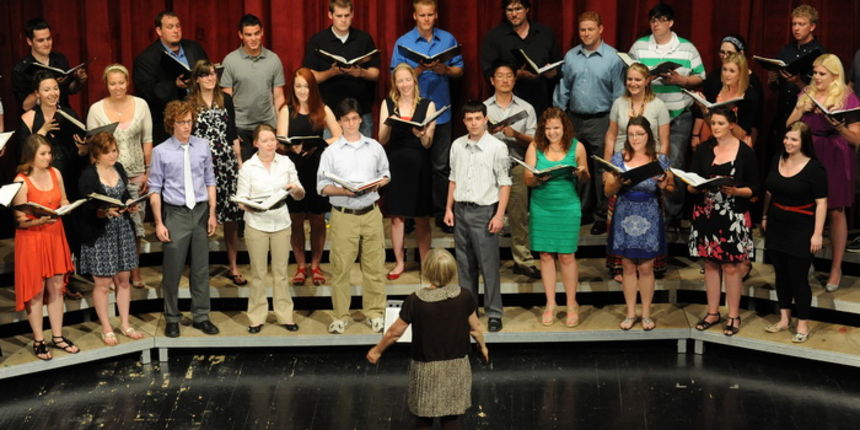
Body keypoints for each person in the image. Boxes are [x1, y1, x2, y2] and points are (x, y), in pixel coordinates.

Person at [367, 248, 489, 430]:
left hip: (426, 368)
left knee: (424, 418)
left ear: (427, 270)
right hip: (456, 366)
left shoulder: (415, 301)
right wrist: (483, 348)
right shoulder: (464, 296)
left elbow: (394, 332)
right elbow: (476, 328)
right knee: (451, 417)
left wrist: (377, 350)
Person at [786, 53, 860, 292]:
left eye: (821, 74)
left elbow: (856, 138)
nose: (816, 77)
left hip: (835, 154)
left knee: (836, 210)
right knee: (806, 208)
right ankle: (804, 260)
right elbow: (789, 126)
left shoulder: (847, 98)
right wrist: (801, 110)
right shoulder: (806, 93)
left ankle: (836, 267)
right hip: (809, 152)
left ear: (835, 75)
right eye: (815, 73)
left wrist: (838, 125)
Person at [316, 98, 390, 334]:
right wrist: (344, 190)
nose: (351, 123)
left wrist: (378, 183)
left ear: (360, 119)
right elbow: (322, 186)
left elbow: (386, 174)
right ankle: (340, 315)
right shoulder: (331, 151)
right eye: (346, 119)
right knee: (340, 268)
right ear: (339, 122)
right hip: (343, 214)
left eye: (355, 118)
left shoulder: (374, 147)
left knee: (374, 267)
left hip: (370, 212)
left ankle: (375, 313)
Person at [629, 3, 706, 228]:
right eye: (653, 20)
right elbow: (631, 75)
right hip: (649, 115)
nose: (656, 24)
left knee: (675, 162)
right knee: (648, 162)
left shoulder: (687, 48)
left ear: (670, 22)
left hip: (678, 114)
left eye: (661, 20)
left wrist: (682, 80)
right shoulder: (640, 47)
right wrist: (646, 78)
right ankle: (650, 209)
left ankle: (672, 215)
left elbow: (700, 77)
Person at [390, 0, 463, 231]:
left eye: (430, 15)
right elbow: (394, 75)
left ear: (436, 15)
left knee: (441, 167)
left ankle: (443, 214)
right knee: (414, 165)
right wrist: (418, 70)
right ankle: (410, 215)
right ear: (414, 16)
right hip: (412, 112)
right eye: (422, 15)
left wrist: (445, 69)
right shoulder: (404, 42)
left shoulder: (447, 39)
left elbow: (459, 70)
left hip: (441, 111)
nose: (426, 19)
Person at [147, 100, 219, 337]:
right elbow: (155, 188)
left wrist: (212, 213)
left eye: (189, 121)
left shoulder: (202, 146)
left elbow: (210, 180)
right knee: (173, 269)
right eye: (181, 122)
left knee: (200, 268)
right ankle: (171, 317)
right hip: (176, 213)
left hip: (199, 211)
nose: (187, 127)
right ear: (172, 124)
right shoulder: (161, 151)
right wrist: (159, 222)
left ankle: (201, 315)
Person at [688, 108, 760, 336]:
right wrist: (695, 185)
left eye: (720, 123)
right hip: (707, 212)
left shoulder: (745, 152)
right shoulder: (703, 149)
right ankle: (712, 312)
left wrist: (736, 191)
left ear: (731, 124)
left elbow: (756, 188)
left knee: (730, 266)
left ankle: (733, 315)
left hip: (732, 214)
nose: (715, 127)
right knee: (709, 264)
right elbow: (691, 182)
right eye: (713, 123)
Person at [17, 72, 88, 299]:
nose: (52, 93)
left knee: (69, 231)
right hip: (38, 183)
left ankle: (66, 280)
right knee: (43, 232)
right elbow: (24, 152)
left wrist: (83, 151)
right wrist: (43, 132)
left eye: (55, 89)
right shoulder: (29, 118)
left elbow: (78, 150)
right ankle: (42, 284)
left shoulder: (67, 114)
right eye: (46, 89)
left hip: (66, 177)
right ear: (37, 94)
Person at [553, 11, 625, 235]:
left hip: (602, 119)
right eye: (582, 29)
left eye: (590, 29)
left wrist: (615, 124)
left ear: (601, 29)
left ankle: (601, 215)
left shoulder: (613, 58)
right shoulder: (571, 56)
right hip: (574, 119)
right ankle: (580, 211)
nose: (585, 34)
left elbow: (618, 94)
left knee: (601, 168)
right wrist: (559, 115)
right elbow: (563, 88)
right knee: (576, 166)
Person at [444, 101, 511, 332]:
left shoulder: (496, 147)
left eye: (477, 118)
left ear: (485, 120)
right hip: (461, 209)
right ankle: (468, 312)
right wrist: (448, 208)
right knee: (464, 265)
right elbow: (453, 178)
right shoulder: (457, 145)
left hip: (485, 211)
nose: (473, 123)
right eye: (469, 119)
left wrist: (500, 215)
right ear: (464, 121)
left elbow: (504, 183)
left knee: (488, 265)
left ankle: (494, 312)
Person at [603, 117, 674, 330]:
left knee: (646, 266)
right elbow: (607, 191)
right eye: (632, 134)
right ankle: (630, 313)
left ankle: (646, 314)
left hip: (649, 214)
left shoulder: (659, 160)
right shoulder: (618, 158)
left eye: (640, 134)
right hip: (625, 213)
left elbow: (672, 189)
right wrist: (618, 182)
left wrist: (663, 183)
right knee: (627, 264)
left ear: (648, 136)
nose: (635, 138)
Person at [11, 134, 78, 360]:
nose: (48, 158)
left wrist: (65, 208)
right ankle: (39, 340)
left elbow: (64, 199)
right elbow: (20, 218)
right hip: (32, 238)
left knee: (57, 286)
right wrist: (40, 220)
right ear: (31, 156)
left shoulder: (55, 173)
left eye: (49, 153)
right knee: (37, 290)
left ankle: (57, 336)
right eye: (43, 154)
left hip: (54, 234)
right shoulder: (21, 180)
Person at [87, 64, 153, 289]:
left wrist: (147, 170)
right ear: (106, 84)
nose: (118, 87)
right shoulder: (96, 109)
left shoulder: (141, 105)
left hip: (135, 174)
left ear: (127, 82)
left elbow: (147, 139)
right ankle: (114, 273)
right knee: (112, 227)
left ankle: (134, 271)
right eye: (112, 83)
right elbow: (93, 148)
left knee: (135, 227)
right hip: (109, 177)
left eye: (121, 82)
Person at [77, 132, 145, 345]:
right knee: (103, 283)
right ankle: (107, 327)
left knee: (124, 280)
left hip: (122, 229)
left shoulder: (120, 169)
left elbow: (123, 195)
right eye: (108, 152)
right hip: (100, 233)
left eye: (114, 150)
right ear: (97, 154)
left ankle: (125, 323)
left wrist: (129, 202)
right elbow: (85, 208)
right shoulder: (88, 175)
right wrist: (103, 212)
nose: (113, 155)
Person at [276, 68, 342, 287]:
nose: (302, 90)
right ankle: (300, 266)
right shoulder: (287, 109)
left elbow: (338, 135)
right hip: (294, 167)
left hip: (316, 167)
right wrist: (292, 147)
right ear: (293, 89)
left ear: (312, 87)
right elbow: (280, 139)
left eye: (305, 86)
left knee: (316, 218)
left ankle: (315, 265)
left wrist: (321, 144)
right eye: (298, 86)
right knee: (295, 217)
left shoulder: (322, 108)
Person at [236, 124, 305, 333]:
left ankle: (285, 315)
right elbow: (241, 200)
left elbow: (300, 194)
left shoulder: (285, 162)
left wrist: (295, 189)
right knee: (258, 273)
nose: (270, 144)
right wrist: (252, 206)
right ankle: (257, 317)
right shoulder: (249, 167)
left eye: (273, 140)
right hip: (256, 222)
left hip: (280, 221)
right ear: (256, 143)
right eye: (265, 140)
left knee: (281, 272)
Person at [762, 122, 827, 343]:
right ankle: (784, 318)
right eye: (787, 138)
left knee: (798, 278)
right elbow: (769, 191)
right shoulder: (777, 158)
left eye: (794, 140)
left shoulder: (815, 169)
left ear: (804, 143)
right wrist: (764, 216)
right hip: (777, 223)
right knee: (780, 274)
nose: (788, 143)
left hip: (801, 227)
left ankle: (802, 323)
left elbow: (821, 203)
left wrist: (817, 233)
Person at [524, 107, 589, 327]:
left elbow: (586, 177)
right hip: (542, 205)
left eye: (556, 128)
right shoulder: (535, 146)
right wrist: (538, 179)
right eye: (548, 128)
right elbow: (527, 179)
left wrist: (581, 173)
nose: (552, 132)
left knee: (567, 256)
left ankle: (571, 303)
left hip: (567, 205)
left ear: (564, 128)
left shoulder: (577, 146)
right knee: (545, 255)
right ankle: (550, 303)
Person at [188, 59, 245, 286]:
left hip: (226, 163)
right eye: (206, 74)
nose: (211, 78)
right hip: (201, 165)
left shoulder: (226, 99)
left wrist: (239, 161)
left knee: (231, 218)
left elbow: (232, 133)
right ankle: (200, 267)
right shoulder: (190, 102)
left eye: (213, 74)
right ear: (198, 79)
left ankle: (233, 266)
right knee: (203, 216)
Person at [378, 64, 436, 280]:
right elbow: (382, 139)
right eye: (399, 80)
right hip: (395, 162)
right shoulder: (388, 103)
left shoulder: (428, 105)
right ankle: (399, 262)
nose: (404, 84)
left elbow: (428, 143)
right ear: (395, 83)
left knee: (421, 217)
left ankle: (426, 263)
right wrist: (390, 123)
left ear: (414, 81)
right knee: (397, 216)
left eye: (407, 80)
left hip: (419, 163)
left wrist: (420, 133)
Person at [484, 61, 538, 278]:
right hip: (489, 168)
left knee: (518, 215)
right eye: (500, 76)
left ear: (514, 80)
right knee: (487, 214)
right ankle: (488, 260)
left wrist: (515, 135)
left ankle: (522, 259)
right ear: (492, 80)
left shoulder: (525, 108)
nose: (505, 80)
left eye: (509, 76)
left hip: (516, 165)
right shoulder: (484, 108)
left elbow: (535, 140)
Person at [304, 0, 381, 138]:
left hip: (361, 110)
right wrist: (332, 72)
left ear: (352, 14)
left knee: (364, 156)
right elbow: (310, 76)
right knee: (332, 155)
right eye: (339, 16)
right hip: (330, 111)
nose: (343, 20)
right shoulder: (318, 40)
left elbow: (375, 73)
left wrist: (360, 72)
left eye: (347, 15)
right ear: (330, 15)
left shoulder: (364, 39)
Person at [133, 11, 209, 143]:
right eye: (170, 27)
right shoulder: (146, 59)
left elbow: (206, 71)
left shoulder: (194, 48)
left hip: (201, 117)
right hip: (169, 126)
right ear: (159, 31)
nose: (176, 30)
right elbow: (147, 94)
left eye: (178, 26)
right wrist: (174, 85)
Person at [220, 14, 286, 161]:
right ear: (240, 35)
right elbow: (226, 100)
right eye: (248, 35)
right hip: (241, 128)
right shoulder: (230, 61)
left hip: (267, 126)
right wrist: (231, 131)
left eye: (256, 33)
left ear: (262, 32)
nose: (253, 38)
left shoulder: (273, 59)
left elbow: (279, 97)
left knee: (269, 173)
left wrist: (280, 130)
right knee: (244, 174)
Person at [481, 0, 560, 116]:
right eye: (509, 10)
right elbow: (488, 72)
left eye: (518, 9)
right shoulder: (494, 37)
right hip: (506, 106)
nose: (514, 14)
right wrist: (516, 74)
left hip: (541, 102)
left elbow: (557, 65)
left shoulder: (545, 33)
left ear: (527, 9)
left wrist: (552, 73)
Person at [767, 5, 826, 159]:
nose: (796, 28)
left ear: (812, 26)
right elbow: (776, 87)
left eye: (801, 24)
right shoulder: (786, 50)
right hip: (782, 114)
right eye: (794, 24)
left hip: (805, 117)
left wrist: (799, 82)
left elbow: (821, 93)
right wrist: (773, 80)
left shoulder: (820, 54)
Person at [698, 34, 764, 145]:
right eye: (725, 70)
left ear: (740, 73)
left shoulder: (749, 96)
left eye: (732, 71)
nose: (727, 74)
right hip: (716, 141)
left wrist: (727, 115)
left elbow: (741, 134)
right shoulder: (718, 88)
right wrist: (704, 111)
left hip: (736, 145)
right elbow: (714, 124)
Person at [11, 18, 87, 112]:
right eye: (40, 40)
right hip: (38, 119)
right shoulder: (21, 69)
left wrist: (78, 81)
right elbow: (25, 106)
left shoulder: (60, 59)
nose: (46, 43)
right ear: (29, 41)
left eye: (49, 38)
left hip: (63, 113)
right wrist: (46, 85)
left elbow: (70, 90)